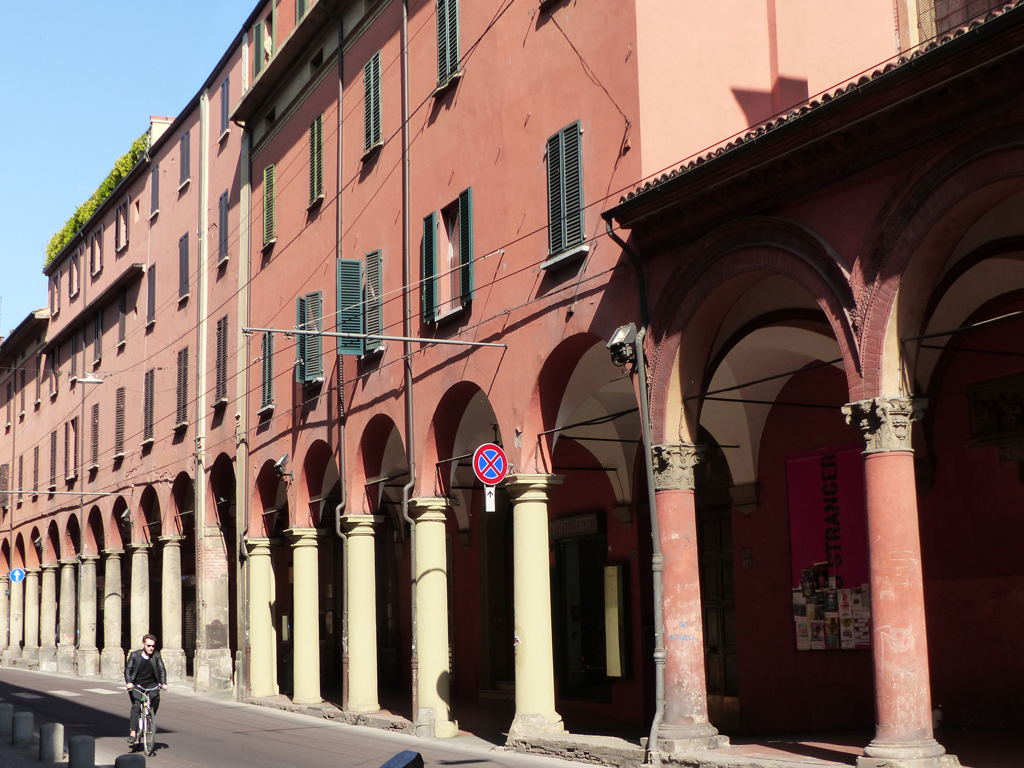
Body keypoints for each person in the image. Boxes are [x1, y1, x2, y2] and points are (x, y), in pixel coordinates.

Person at [124, 634, 168, 745]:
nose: (151, 648)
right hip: (137, 684)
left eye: (153, 646)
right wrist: (129, 682)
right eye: (148, 645)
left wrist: (163, 683)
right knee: (136, 705)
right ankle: (133, 733)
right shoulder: (135, 655)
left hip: (151, 684)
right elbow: (128, 669)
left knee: (156, 698)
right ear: (143, 644)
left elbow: (161, 669)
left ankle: (150, 719)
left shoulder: (156, 655)